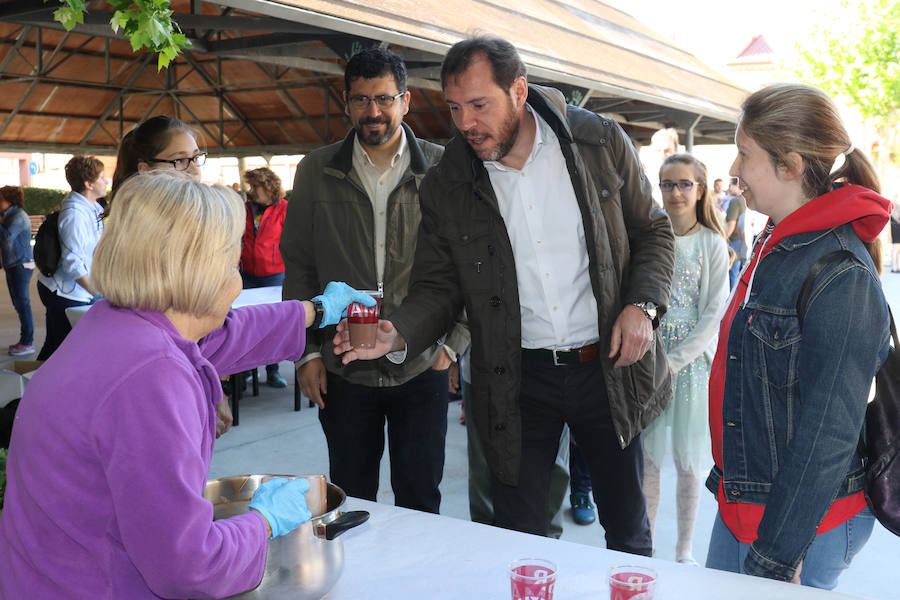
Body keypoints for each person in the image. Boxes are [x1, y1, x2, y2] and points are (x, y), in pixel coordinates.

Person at [334, 37, 675, 553]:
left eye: (479, 105)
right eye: (454, 108)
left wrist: (642, 306)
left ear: (518, 90)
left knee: (628, 529)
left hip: (605, 367)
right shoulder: (446, 183)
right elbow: (439, 286)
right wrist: (397, 331)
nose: (466, 123)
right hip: (517, 379)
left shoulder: (597, 142)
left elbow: (653, 232)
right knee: (519, 536)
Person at [0, 173, 374, 599]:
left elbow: (223, 336)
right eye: (233, 260)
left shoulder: (118, 324)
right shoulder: (149, 379)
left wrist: (316, 310)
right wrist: (265, 522)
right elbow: (188, 567)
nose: (238, 276)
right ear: (200, 269)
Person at [705, 83, 891, 588]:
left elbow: (827, 433)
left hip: (802, 525)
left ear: (788, 165)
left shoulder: (838, 273)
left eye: (744, 154)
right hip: (747, 503)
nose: (734, 169)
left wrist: (779, 555)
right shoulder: (778, 239)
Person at [281, 48, 469, 514]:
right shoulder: (315, 171)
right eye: (361, 100)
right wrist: (306, 352)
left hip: (421, 361)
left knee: (421, 497)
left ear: (405, 101)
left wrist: (453, 345)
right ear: (346, 102)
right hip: (343, 365)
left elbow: (469, 261)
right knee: (350, 497)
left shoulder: (446, 169)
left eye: (384, 99)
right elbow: (299, 265)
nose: (373, 111)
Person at [641, 154, 730, 565]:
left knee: (689, 463)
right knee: (650, 461)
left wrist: (674, 362)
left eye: (684, 184)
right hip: (650, 355)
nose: (675, 192)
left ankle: (683, 549)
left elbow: (713, 312)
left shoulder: (712, 243)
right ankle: (647, 547)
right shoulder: (650, 234)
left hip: (690, 364)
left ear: (700, 189)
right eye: (667, 184)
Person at [36, 156, 106, 360]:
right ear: (89, 184)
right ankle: (31, 388)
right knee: (60, 351)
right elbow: (72, 262)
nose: (106, 182)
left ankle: (33, 386)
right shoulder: (75, 214)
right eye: (102, 178)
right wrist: (97, 293)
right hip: (65, 292)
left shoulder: (92, 209)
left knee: (58, 348)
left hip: (76, 291)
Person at [240, 167, 290, 388]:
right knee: (247, 324)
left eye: (256, 186)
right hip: (247, 274)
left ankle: (273, 371)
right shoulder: (245, 209)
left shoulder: (286, 210)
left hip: (274, 275)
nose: (252, 191)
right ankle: (247, 370)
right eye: (250, 186)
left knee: (273, 325)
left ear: (269, 186)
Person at [0, 186, 36, 356]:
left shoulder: (18, 216)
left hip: (21, 265)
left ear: (10, 200)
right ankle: (25, 341)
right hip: (13, 264)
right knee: (19, 303)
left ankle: (28, 342)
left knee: (23, 304)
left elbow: (7, 236)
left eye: (1, 198)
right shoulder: (10, 215)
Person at [724, 177, 747, 288]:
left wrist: (722, 239)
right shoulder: (745, 200)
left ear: (736, 185)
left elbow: (731, 225)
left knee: (731, 274)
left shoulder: (735, 201)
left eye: (730, 185)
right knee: (737, 273)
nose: (729, 188)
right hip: (742, 240)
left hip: (733, 241)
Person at [890, 200, 900, 273]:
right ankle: (894, 267)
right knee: (895, 250)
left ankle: (897, 267)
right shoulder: (893, 216)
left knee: (897, 251)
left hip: (897, 233)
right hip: (896, 233)